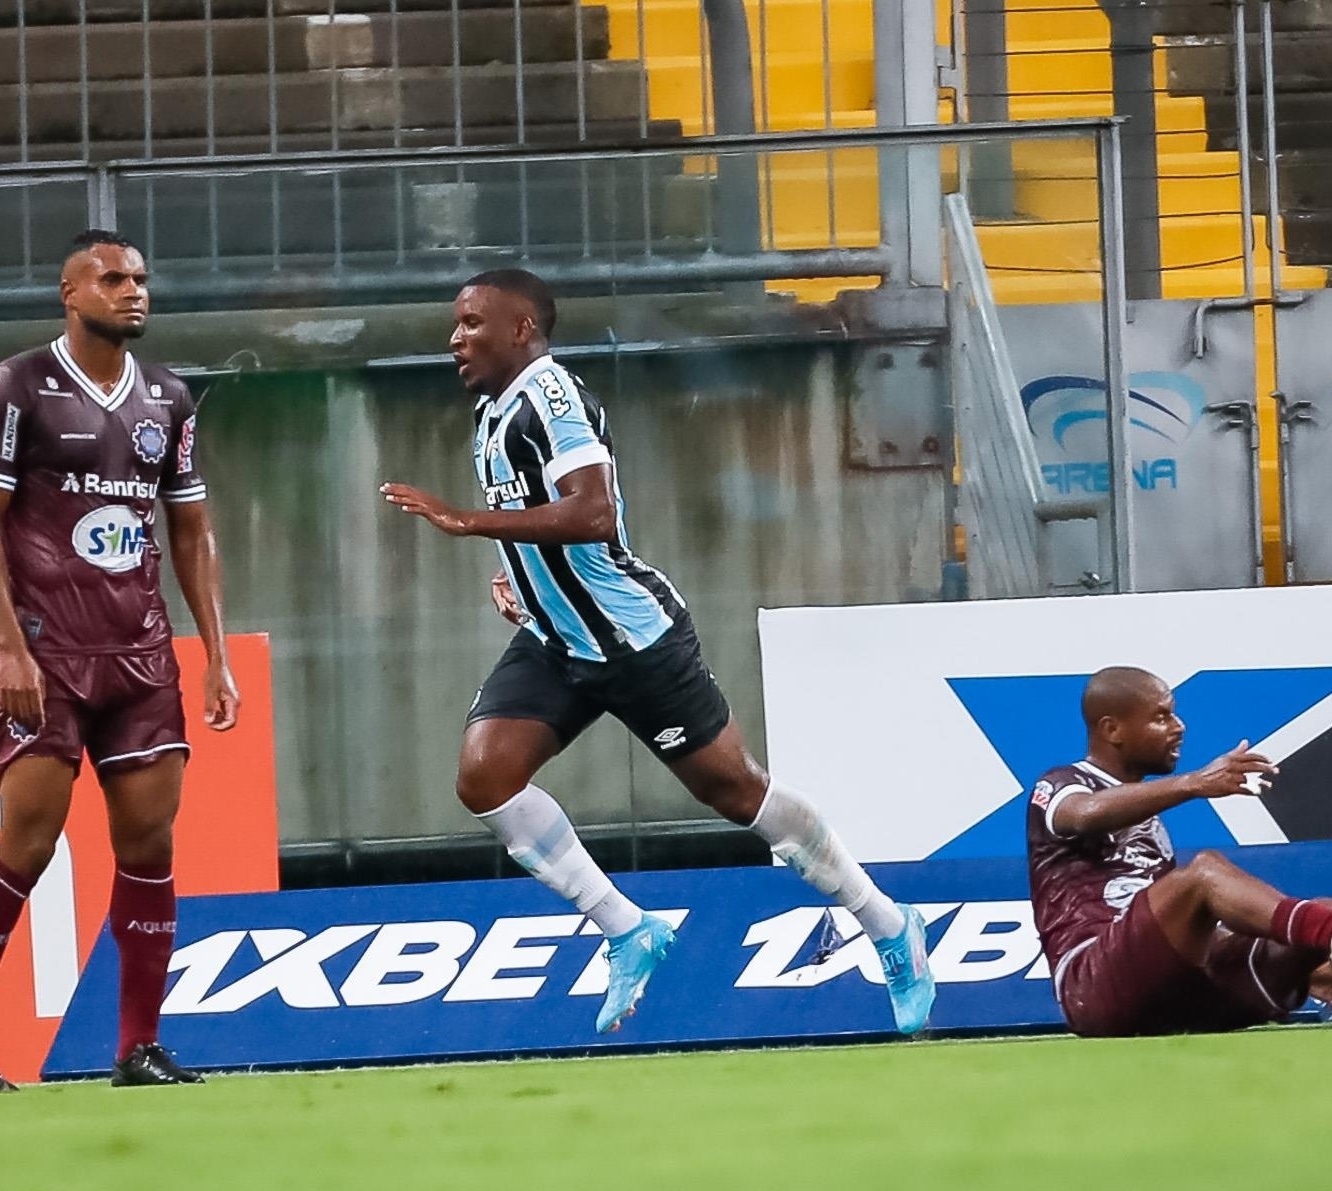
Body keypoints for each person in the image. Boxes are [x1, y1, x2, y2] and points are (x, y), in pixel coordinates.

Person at [381, 268, 934, 1036]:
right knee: (485, 776)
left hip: (633, 639)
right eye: (455, 322)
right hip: (555, 639)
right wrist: (514, 576)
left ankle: (888, 925)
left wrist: (470, 523)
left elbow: (594, 512)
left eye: (472, 322)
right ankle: (626, 927)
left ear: (521, 328)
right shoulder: (491, 410)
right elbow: (536, 515)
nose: (455, 337)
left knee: (737, 793)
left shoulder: (552, 395)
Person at [0, 229, 240, 1089]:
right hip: (46, 653)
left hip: (140, 658)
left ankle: (138, 1046)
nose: (132, 289)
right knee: (22, 844)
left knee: (148, 841)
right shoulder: (19, 386)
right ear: (69, 291)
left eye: (140, 276)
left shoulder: (168, 399)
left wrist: (214, 653)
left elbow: (192, 531)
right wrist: (7, 649)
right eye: (111, 277)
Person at [1028, 665, 1332, 1037]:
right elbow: (1083, 814)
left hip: (1175, 997)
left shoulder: (1151, 826)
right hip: (1092, 984)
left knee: (1315, 917)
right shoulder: (1063, 783)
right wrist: (1195, 783)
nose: (1179, 726)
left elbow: (1179, 932)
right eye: (1161, 716)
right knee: (1204, 874)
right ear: (1112, 729)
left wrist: (1285, 957)